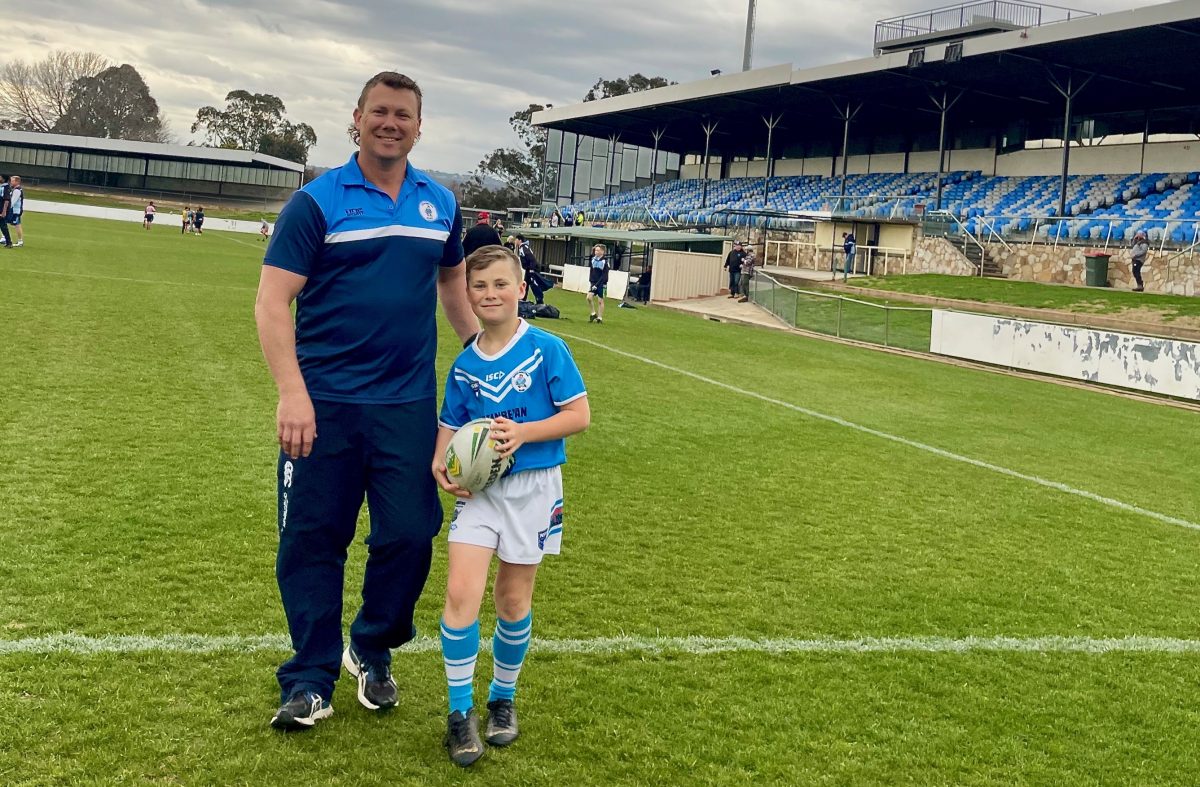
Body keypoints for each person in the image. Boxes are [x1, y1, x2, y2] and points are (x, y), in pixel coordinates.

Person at [255, 71, 477, 732]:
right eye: (378, 111)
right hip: (321, 405)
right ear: (357, 118)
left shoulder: (441, 202)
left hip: (406, 406)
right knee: (312, 538)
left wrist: (490, 361)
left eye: (402, 114)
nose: (390, 122)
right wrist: (291, 392)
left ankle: (372, 647)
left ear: (418, 124)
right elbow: (271, 302)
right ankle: (309, 677)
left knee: (411, 533)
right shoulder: (316, 203)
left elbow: (454, 288)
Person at [432, 245, 590, 767]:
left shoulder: (547, 348)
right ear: (468, 296)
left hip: (534, 490)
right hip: (481, 496)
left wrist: (523, 433)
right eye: (479, 287)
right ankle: (460, 714)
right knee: (460, 594)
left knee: (512, 600)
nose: (490, 294)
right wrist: (442, 461)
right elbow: (452, 423)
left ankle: (503, 699)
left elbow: (578, 416)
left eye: (501, 284)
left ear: (520, 290)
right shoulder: (465, 364)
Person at [514, 234, 545, 305]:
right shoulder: (523, 247)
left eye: (516, 239)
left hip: (531, 270)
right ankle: (523, 299)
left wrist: (531, 269)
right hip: (528, 269)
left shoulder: (523, 248)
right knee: (525, 285)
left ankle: (540, 301)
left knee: (534, 285)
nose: (515, 241)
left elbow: (532, 258)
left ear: (519, 240)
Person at [586, 243, 610, 323]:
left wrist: (598, 284)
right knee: (589, 297)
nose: (596, 252)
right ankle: (593, 313)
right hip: (594, 282)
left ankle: (600, 318)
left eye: (598, 250)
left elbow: (604, 275)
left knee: (600, 301)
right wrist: (591, 281)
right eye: (595, 250)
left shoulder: (605, 262)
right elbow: (592, 271)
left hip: (602, 283)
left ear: (602, 252)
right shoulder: (593, 259)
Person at [6, 175, 23, 247]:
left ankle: (20, 241)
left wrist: (6, 208)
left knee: (17, 225)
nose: (11, 182)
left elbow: (13, 201)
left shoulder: (17, 190)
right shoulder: (14, 189)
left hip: (15, 211)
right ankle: (4, 237)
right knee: (4, 222)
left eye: (12, 181)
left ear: (17, 181)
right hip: (13, 210)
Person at [0, 175, 11, 248]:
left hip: (1, 210)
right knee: (3, 226)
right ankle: (8, 242)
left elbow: (6, 200)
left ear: (3, 179)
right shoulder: (2, 187)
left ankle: (9, 242)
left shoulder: (5, 188)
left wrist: (4, 212)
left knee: (3, 226)